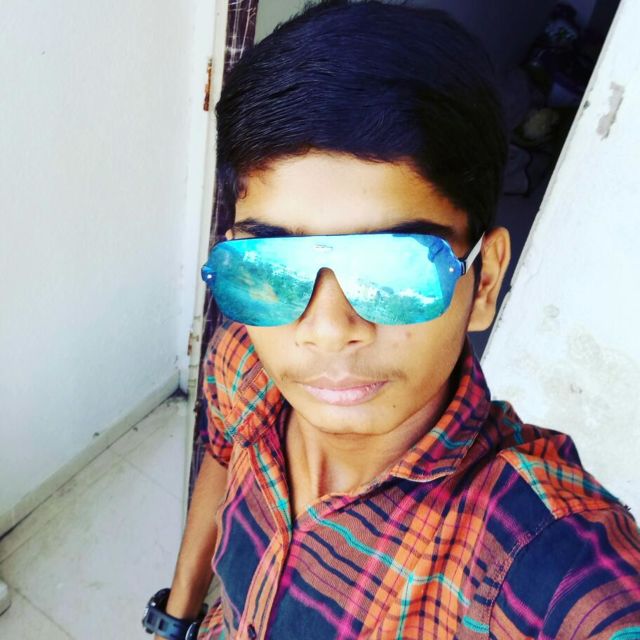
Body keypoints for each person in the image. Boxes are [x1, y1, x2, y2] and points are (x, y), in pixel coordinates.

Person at [143, 2, 640, 638]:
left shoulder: (530, 555)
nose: (326, 330)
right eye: (272, 264)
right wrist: (177, 618)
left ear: (484, 281)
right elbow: (220, 457)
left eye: (394, 269)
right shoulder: (242, 359)